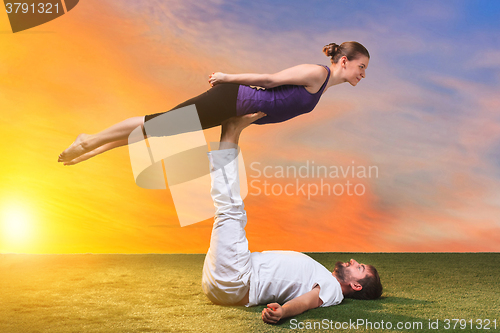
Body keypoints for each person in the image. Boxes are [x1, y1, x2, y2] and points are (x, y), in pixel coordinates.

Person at [58, 41, 369, 165]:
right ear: (344, 60)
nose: (363, 74)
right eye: (361, 67)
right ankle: (88, 140)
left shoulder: (324, 85)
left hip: (233, 109)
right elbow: (270, 79)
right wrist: (228, 76)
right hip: (231, 99)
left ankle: (90, 150)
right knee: (155, 124)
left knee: (157, 131)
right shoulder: (317, 72)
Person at [204, 112, 382, 324]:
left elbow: (307, 302)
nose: (353, 261)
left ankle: (231, 129)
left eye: (359, 267)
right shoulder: (324, 277)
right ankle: (230, 130)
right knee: (231, 211)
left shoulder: (333, 290)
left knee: (230, 208)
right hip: (234, 275)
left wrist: (284, 312)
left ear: (356, 285)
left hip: (236, 279)